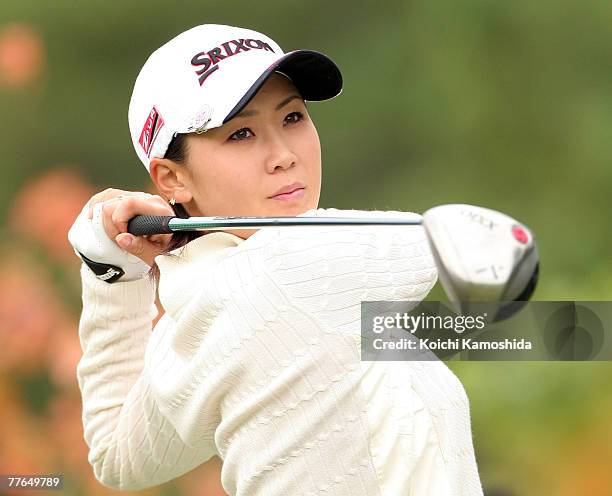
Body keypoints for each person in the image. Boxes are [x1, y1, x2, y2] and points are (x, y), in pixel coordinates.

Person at [68, 24, 484, 495]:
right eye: (241, 133)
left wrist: (112, 275)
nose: (284, 155)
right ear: (171, 179)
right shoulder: (282, 268)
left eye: (292, 118)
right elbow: (444, 247)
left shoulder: (195, 322)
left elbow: (116, 454)